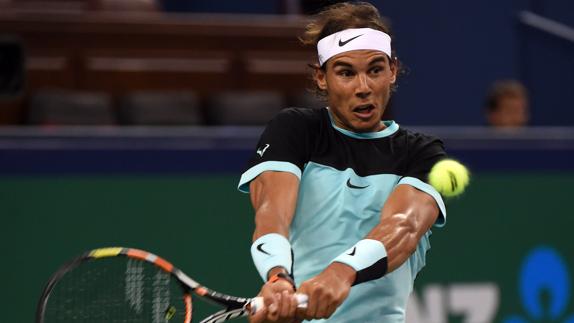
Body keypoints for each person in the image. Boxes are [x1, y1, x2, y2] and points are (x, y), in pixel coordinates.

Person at [237, 2, 447, 322]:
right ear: (322, 78)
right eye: (346, 73)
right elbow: (271, 213)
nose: (363, 88)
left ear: (392, 71)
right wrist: (277, 277)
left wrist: (341, 272)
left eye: (375, 70)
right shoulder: (294, 130)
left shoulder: (423, 154)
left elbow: (403, 227)